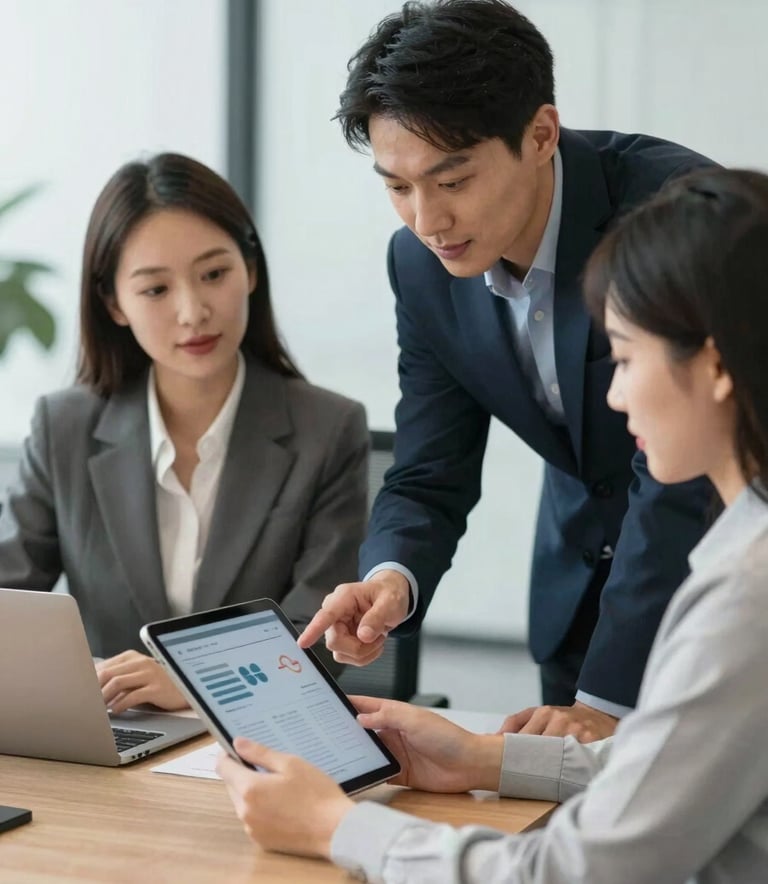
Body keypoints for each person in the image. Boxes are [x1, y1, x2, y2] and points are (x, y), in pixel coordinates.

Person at [218, 166, 768, 883]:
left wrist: (339, 827)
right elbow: (678, 770)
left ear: (717, 366)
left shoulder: (745, 597)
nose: (613, 393)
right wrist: (485, 758)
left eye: (626, 358)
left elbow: (579, 869)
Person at [298, 0, 715, 739]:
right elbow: (430, 468)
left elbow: (682, 470)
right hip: (578, 611)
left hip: (717, 603)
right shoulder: (422, 268)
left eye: (452, 181)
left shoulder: (672, 216)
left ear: (541, 135)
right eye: (397, 186)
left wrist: (605, 701)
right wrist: (391, 577)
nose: (427, 220)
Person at [0, 152, 368, 713]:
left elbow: (316, 632)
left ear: (250, 269)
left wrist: (198, 683)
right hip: (110, 735)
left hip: (263, 738)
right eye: (155, 290)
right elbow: (9, 601)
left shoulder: (328, 428)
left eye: (214, 274)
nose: (193, 312)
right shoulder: (64, 427)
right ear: (113, 304)